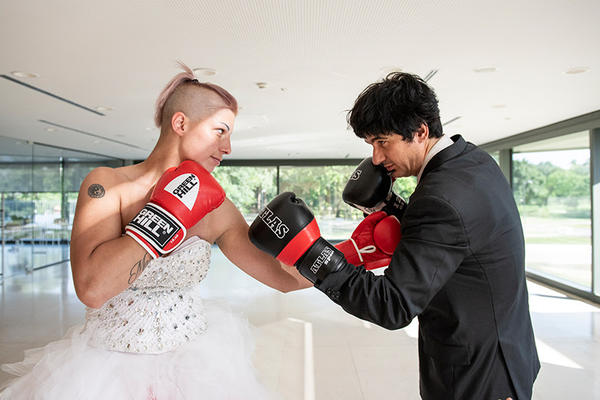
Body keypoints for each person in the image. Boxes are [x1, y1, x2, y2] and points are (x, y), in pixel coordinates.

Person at [0, 63, 308, 399]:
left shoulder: (217, 207)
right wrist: (164, 216)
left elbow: (282, 278)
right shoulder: (106, 185)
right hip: (106, 370)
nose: (228, 147)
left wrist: (343, 256)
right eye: (220, 131)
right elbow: (92, 288)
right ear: (181, 123)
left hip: (195, 365)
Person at [248, 72, 540, 399]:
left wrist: (313, 254)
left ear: (420, 131)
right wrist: (394, 208)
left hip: (479, 377)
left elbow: (393, 305)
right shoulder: (471, 161)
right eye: (371, 145)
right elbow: (459, 236)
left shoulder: (440, 198)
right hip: (504, 353)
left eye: (382, 142)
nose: (375, 158)